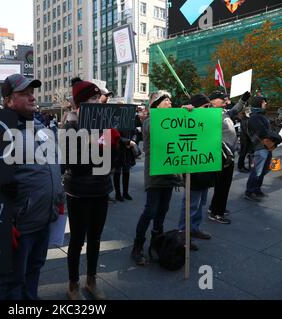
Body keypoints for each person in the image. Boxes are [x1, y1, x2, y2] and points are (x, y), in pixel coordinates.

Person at [0, 74, 64, 300]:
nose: (32, 97)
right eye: (23, 93)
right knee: (12, 281)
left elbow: (53, 165)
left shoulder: (42, 127)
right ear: (8, 100)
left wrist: (59, 198)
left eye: (32, 92)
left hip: (44, 219)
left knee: (34, 271)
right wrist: (4, 221)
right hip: (20, 226)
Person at [64, 78, 119, 300]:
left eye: (98, 97)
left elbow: (112, 162)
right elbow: (75, 165)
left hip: (100, 188)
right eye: (92, 99)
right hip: (78, 191)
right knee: (77, 239)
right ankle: (73, 283)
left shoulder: (102, 124)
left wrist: (113, 143)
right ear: (80, 104)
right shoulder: (71, 125)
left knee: (95, 238)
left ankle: (92, 279)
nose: (98, 102)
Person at [131, 91, 186, 266]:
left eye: (171, 99)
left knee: (162, 211)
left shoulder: (171, 121)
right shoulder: (150, 121)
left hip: (170, 172)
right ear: (156, 104)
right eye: (166, 100)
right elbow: (157, 129)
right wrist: (179, 113)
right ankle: (137, 246)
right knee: (150, 210)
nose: (170, 102)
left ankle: (156, 243)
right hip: (155, 173)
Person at [207, 90, 250, 224]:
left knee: (224, 185)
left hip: (228, 155)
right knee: (223, 185)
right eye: (222, 99)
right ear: (213, 101)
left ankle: (215, 207)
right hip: (221, 155)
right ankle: (216, 213)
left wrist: (243, 100)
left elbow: (235, 110)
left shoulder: (222, 112)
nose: (226, 101)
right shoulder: (210, 114)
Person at [177, 94, 216, 242]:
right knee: (190, 204)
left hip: (206, 168)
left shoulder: (208, 120)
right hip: (193, 170)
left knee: (201, 203)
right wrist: (182, 112)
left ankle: (194, 229)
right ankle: (182, 235)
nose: (208, 109)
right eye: (205, 107)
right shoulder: (186, 120)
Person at [244, 96, 282, 201]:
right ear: (259, 103)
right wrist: (277, 137)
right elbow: (262, 132)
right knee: (257, 170)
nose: (266, 103)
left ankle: (256, 189)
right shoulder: (255, 117)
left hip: (266, 147)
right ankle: (249, 191)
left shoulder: (260, 115)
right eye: (264, 102)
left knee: (264, 169)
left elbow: (267, 129)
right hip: (260, 147)